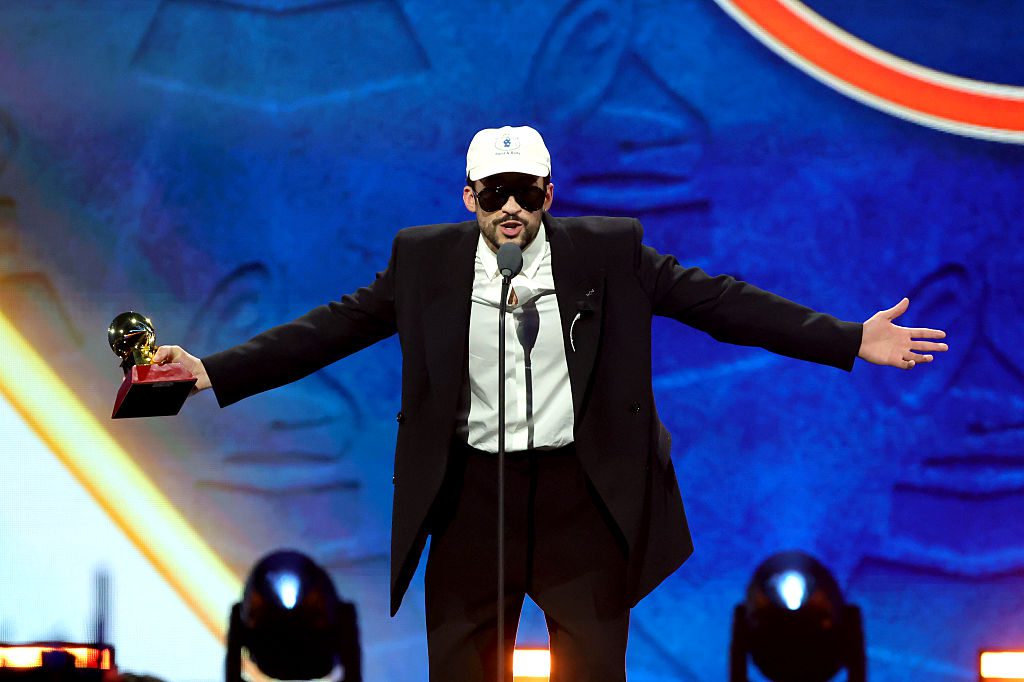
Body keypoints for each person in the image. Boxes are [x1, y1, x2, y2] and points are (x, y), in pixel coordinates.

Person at [155, 125, 948, 682]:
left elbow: (721, 302)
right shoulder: (422, 263)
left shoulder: (608, 253)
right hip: (469, 504)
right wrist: (214, 372)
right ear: (468, 195)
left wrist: (849, 338)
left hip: (580, 503)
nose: (511, 208)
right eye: (494, 193)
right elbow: (327, 331)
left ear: (548, 193)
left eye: (525, 193)